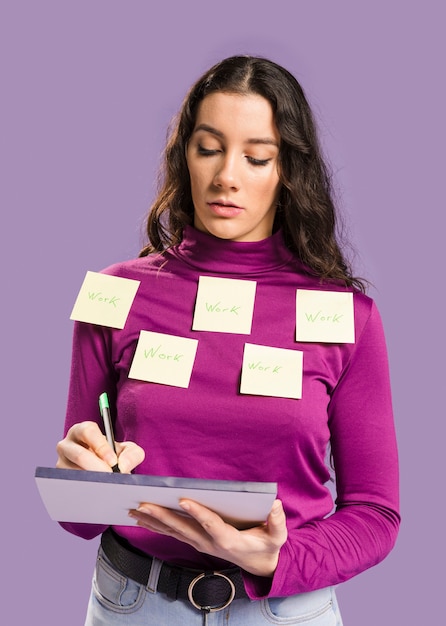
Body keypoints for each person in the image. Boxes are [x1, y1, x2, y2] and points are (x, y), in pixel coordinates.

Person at [56, 55, 400, 625]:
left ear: (287, 169)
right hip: (132, 605)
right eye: (209, 148)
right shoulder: (112, 295)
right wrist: (80, 482)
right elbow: (81, 517)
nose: (227, 177)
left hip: (284, 608)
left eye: (257, 156)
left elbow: (375, 513)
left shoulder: (348, 317)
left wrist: (281, 558)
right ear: (183, 156)